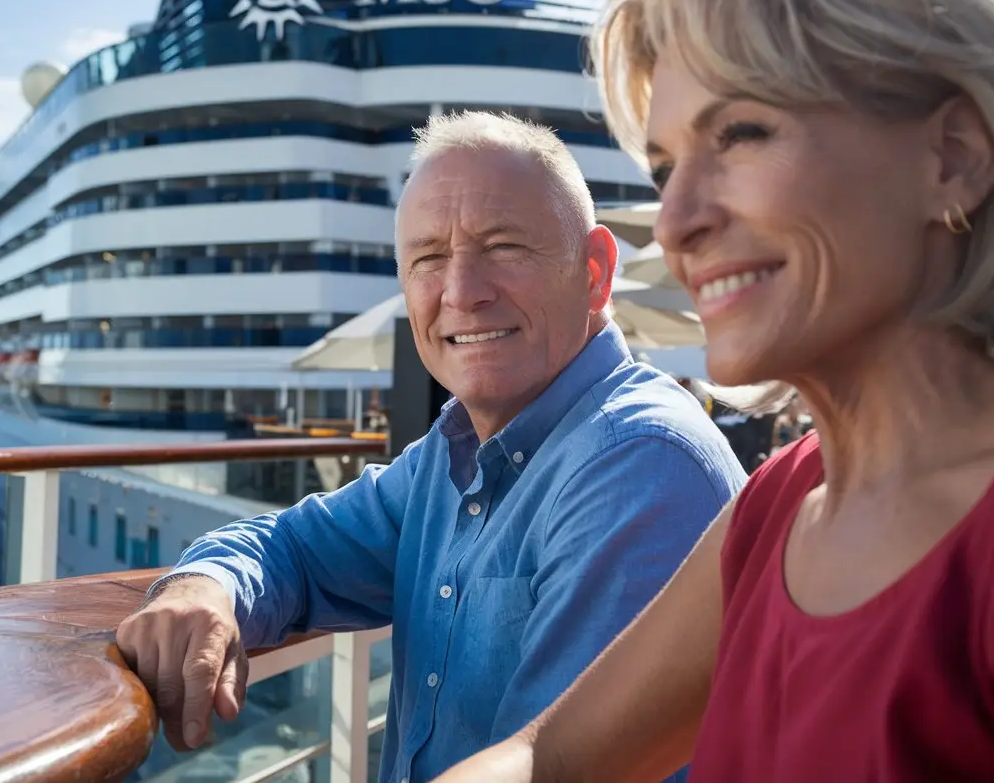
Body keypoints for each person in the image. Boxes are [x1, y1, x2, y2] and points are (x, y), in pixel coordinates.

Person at [434, 0, 994, 783]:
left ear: (954, 156)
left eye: (743, 133)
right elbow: (548, 757)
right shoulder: (777, 505)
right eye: (667, 168)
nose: (674, 222)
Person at [115, 111, 745, 781]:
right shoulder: (453, 456)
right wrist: (204, 586)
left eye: (503, 247)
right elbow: (292, 547)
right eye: (429, 258)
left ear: (594, 272)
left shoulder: (636, 466)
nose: (462, 292)